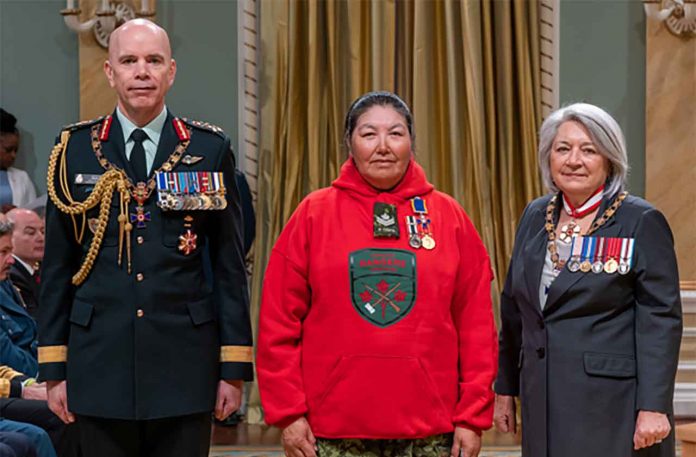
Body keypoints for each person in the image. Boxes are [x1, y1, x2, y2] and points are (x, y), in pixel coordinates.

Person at [38, 19, 253, 457]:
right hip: (98, 364)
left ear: (171, 71)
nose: (142, 71)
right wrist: (54, 369)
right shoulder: (73, 150)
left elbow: (230, 268)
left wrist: (232, 369)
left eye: (153, 60)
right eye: (129, 60)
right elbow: (58, 268)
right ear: (109, 72)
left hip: (184, 365)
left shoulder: (209, 149)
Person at [257, 91, 497, 457]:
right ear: (349, 144)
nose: (383, 146)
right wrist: (289, 414)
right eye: (369, 134)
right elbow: (278, 324)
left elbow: (476, 327)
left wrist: (472, 416)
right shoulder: (313, 215)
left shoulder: (449, 218)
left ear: (411, 142)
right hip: (330, 431)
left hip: (432, 432)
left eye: (396, 134)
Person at [493, 103, 682, 456]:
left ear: (609, 159)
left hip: (613, 407)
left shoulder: (640, 221)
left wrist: (654, 406)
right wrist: (505, 388)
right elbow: (514, 309)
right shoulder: (535, 215)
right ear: (549, 157)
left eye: (589, 150)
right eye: (562, 149)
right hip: (543, 399)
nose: (573, 160)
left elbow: (660, 320)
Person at [6, 209, 44, 318]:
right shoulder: (11, 274)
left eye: (43, 231)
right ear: (10, 237)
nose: (41, 238)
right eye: (30, 232)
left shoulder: (42, 268)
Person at [0, 110, 37, 212]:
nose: (13, 155)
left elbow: (33, 216)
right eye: (8, 150)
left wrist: (18, 214)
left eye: (16, 150)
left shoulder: (22, 178)